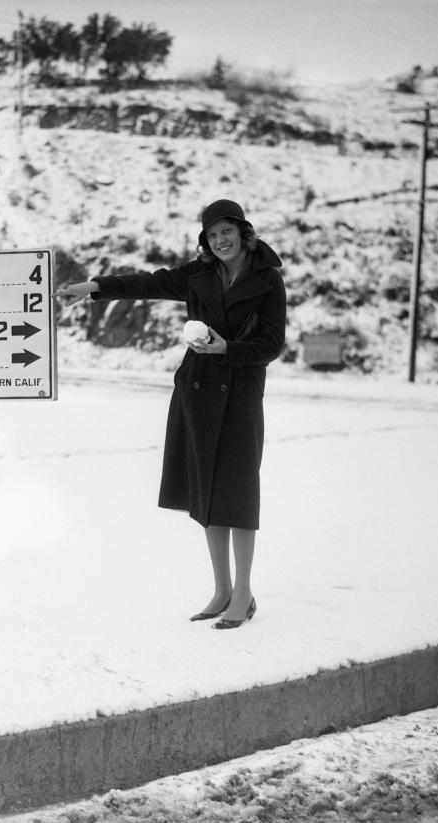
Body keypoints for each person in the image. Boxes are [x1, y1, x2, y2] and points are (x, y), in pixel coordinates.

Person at [56, 199, 287, 629]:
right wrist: (91, 288)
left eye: (226, 231)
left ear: (243, 231)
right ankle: (222, 590)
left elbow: (273, 344)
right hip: (197, 391)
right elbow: (145, 282)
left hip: (240, 391)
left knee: (237, 492)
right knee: (208, 492)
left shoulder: (267, 279)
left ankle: (245, 592)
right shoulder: (197, 274)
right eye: (211, 234)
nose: (219, 240)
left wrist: (228, 349)